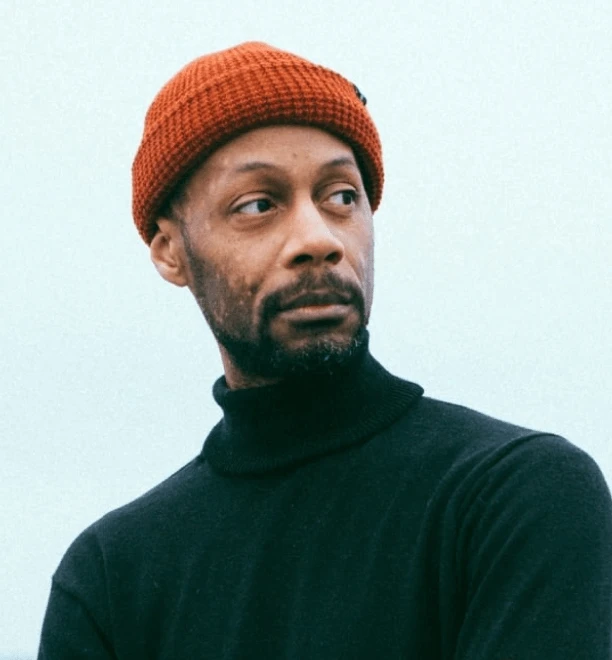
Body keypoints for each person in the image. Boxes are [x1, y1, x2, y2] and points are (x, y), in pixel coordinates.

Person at [38, 41, 612, 659]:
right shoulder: (109, 579)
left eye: (341, 197)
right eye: (258, 205)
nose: (318, 238)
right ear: (170, 251)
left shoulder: (516, 496)